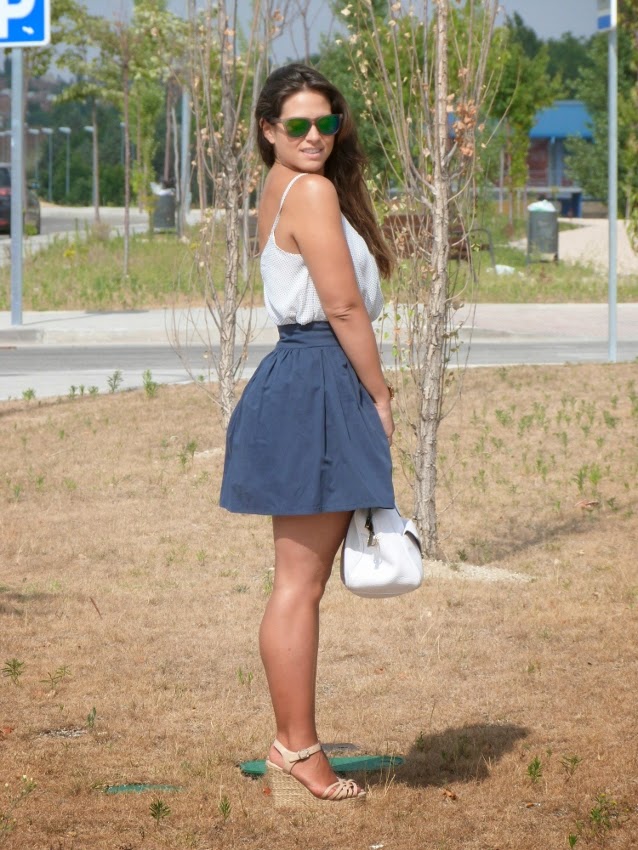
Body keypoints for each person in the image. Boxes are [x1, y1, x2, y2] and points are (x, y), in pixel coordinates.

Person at [220, 63, 395, 807]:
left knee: (298, 583)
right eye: (297, 124)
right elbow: (343, 307)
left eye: (327, 121)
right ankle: (297, 748)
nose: (315, 134)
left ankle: (291, 743)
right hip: (319, 378)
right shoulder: (311, 192)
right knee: (299, 586)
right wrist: (380, 395)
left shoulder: (283, 186)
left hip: (300, 375)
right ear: (269, 129)